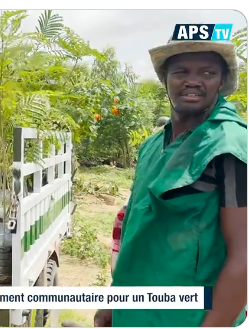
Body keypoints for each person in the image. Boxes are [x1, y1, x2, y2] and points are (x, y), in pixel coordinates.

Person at [96, 38, 247, 327]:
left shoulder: (230, 145)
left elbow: (243, 257)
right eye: (180, 72)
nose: (193, 81)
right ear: (165, 79)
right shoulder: (153, 145)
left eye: (207, 72)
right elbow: (136, 231)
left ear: (222, 80)